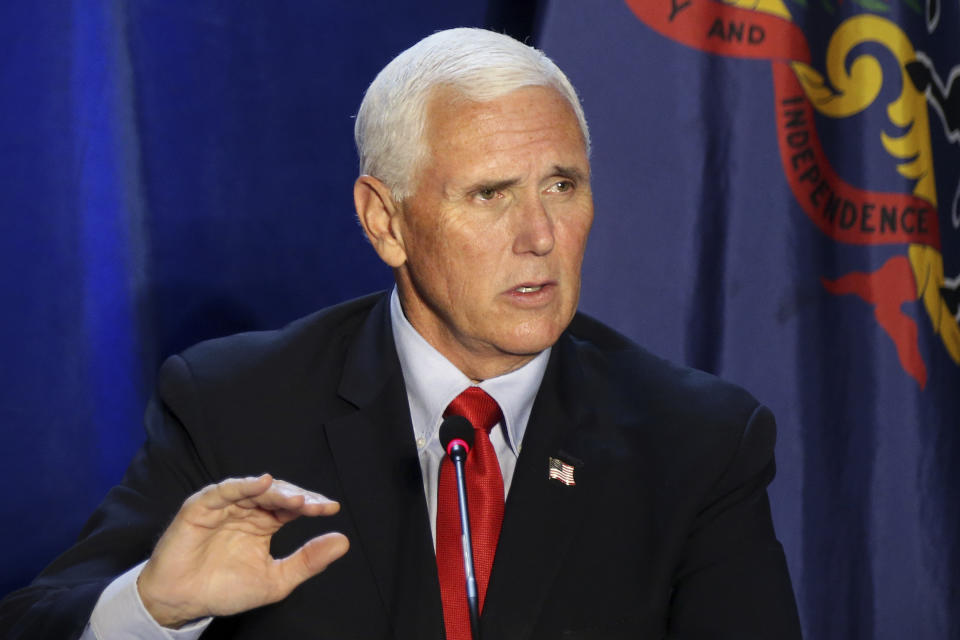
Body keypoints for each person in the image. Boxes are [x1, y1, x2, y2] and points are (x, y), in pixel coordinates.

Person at [0, 27, 802, 639]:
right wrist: (153, 607)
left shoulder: (699, 442)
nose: (541, 235)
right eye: (489, 194)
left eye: (562, 184)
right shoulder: (236, 407)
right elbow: (39, 617)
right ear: (385, 222)